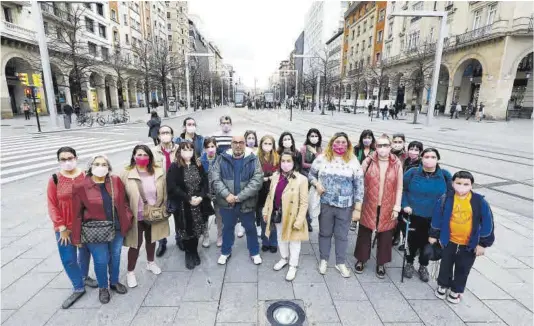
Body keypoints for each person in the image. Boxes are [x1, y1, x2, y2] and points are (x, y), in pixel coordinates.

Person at [72, 155, 133, 304]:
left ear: (109, 167)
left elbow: (124, 201)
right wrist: (76, 238)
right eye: (97, 164)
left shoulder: (116, 181)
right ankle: (103, 287)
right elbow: (77, 214)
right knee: (101, 260)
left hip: (116, 228)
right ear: (90, 167)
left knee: (116, 256)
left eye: (104, 164)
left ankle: (114, 281)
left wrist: (128, 216)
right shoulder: (80, 186)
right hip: (95, 231)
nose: (101, 167)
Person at [430, 171, 495, 304]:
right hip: (449, 241)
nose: (462, 186)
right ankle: (443, 285)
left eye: (466, 184)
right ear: (453, 184)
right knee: (445, 265)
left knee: (463, 268)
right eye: (458, 183)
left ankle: (456, 290)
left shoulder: (479, 202)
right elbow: (437, 217)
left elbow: (488, 223)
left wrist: (482, 244)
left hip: (469, 244)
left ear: (471, 185)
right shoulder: (446, 198)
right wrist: (433, 235)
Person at [47, 147, 97, 309]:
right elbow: (52, 205)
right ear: (59, 161)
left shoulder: (86, 176)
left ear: (76, 158)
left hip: (85, 224)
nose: (67, 162)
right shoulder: (55, 179)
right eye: (63, 159)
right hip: (64, 227)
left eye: (70, 158)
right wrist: (61, 226)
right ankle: (78, 286)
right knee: (68, 259)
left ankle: (84, 276)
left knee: (84, 253)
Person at [309, 132, 364, 277]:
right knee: (324, 233)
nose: (340, 145)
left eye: (343, 142)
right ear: (332, 143)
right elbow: (311, 175)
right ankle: (324, 260)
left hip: (345, 206)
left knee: (342, 235)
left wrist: (358, 208)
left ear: (348, 145)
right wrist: (316, 184)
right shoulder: (322, 159)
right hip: (325, 203)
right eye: (337, 142)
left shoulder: (353, 161)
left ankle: (340, 262)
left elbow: (359, 185)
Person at [353, 135, 403, 278]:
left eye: (386, 145)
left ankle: (381, 262)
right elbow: (358, 180)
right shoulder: (368, 161)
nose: (383, 148)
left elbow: (399, 187)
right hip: (369, 203)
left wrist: (397, 207)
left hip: (388, 205)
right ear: (376, 147)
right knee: (364, 232)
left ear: (390, 146)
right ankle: (361, 259)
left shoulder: (396, 163)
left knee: (386, 235)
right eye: (380, 145)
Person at [121, 145, 170, 288]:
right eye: (139, 154)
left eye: (145, 155)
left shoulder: (158, 171)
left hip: (153, 214)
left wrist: (164, 207)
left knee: (152, 239)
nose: (142, 157)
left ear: (150, 157)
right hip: (136, 216)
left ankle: (151, 262)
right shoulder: (126, 173)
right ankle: (130, 272)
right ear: (134, 156)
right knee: (135, 244)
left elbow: (164, 191)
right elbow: (121, 195)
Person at [211, 135, 263, 265]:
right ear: (231, 144)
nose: (238, 145)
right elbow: (215, 179)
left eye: (241, 142)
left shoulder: (253, 159)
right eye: (235, 142)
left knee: (250, 228)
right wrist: (227, 195)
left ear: (245, 144)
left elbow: (257, 181)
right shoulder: (221, 159)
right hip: (227, 203)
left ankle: (254, 252)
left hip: (246, 203)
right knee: (227, 228)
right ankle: (225, 252)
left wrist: (239, 197)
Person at [402, 148, 452, 282]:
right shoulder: (412, 173)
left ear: (438, 159)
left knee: (427, 244)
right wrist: (405, 204)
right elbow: (402, 190)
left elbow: (451, 196)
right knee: (412, 242)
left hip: (434, 219)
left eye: (433, 157)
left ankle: (423, 265)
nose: (429, 159)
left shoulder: (445, 175)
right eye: (427, 156)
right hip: (414, 215)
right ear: (421, 158)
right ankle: (409, 262)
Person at [262, 150, 309, 281]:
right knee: (280, 237)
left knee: (294, 241)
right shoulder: (276, 176)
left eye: (289, 161)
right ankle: (284, 258)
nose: (285, 164)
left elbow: (304, 203)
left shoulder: (302, 179)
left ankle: (293, 265)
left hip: (293, 216)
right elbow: (270, 196)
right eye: (283, 161)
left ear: (294, 163)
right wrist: (266, 211)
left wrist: (299, 221)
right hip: (278, 213)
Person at [167, 142, 214, 269]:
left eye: (190, 149)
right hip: (183, 205)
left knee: (197, 228)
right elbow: (172, 186)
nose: (188, 152)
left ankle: (195, 251)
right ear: (180, 152)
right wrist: (188, 198)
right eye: (185, 149)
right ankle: (189, 253)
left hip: (199, 204)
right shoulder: (175, 167)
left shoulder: (198, 165)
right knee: (186, 231)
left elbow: (205, 182)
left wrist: (200, 196)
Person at [396, 140, 424, 250]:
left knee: (413, 222)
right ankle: (404, 240)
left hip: (414, 196)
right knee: (403, 221)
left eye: (416, 150)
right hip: (403, 193)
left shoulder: (422, 164)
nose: (413, 151)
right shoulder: (405, 161)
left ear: (420, 152)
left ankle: (412, 244)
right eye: (411, 149)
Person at [257, 135, 280, 252]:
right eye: (265, 143)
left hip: (274, 192)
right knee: (263, 218)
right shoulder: (257, 158)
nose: (267, 146)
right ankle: (265, 241)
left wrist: (272, 177)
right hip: (261, 192)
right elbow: (255, 175)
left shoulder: (277, 157)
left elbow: (280, 174)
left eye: (270, 144)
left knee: (273, 219)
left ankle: (274, 242)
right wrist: (266, 178)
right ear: (261, 144)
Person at [200, 137, 223, 247]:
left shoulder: (221, 159)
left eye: (212, 146)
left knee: (219, 215)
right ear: (204, 149)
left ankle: (220, 236)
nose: (210, 149)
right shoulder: (200, 161)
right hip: (205, 193)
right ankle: (206, 236)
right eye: (208, 147)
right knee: (205, 216)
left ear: (216, 147)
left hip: (218, 193)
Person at [300, 128, 323, 232]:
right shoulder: (304, 148)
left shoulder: (319, 149)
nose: (314, 138)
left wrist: (316, 153)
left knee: (314, 199)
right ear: (308, 137)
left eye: (316, 136)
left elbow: (322, 162)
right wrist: (314, 166)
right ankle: (307, 221)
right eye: (312, 136)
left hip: (316, 178)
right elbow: (302, 164)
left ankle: (313, 218)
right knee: (305, 200)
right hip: (305, 176)